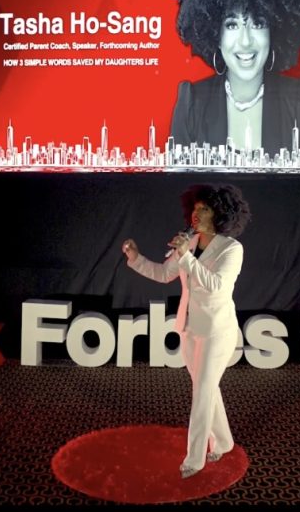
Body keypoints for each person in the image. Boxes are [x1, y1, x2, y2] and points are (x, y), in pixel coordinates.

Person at [120, 184, 252, 479]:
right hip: (190, 327)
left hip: (217, 331)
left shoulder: (232, 249)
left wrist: (186, 256)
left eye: (204, 209)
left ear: (220, 214)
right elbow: (163, 274)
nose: (196, 214)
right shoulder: (189, 243)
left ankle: (195, 458)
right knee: (207, 388)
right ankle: (224, 442)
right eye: (195, 208)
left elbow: (216, 285)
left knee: (202, 391)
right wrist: (135, 258)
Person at [170, 0, 300, 158]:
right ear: (216, 34)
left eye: (258, 23)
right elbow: (177, 180)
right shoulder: (192, 102)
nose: (245, 41)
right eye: (232, 25)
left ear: (274, 31)